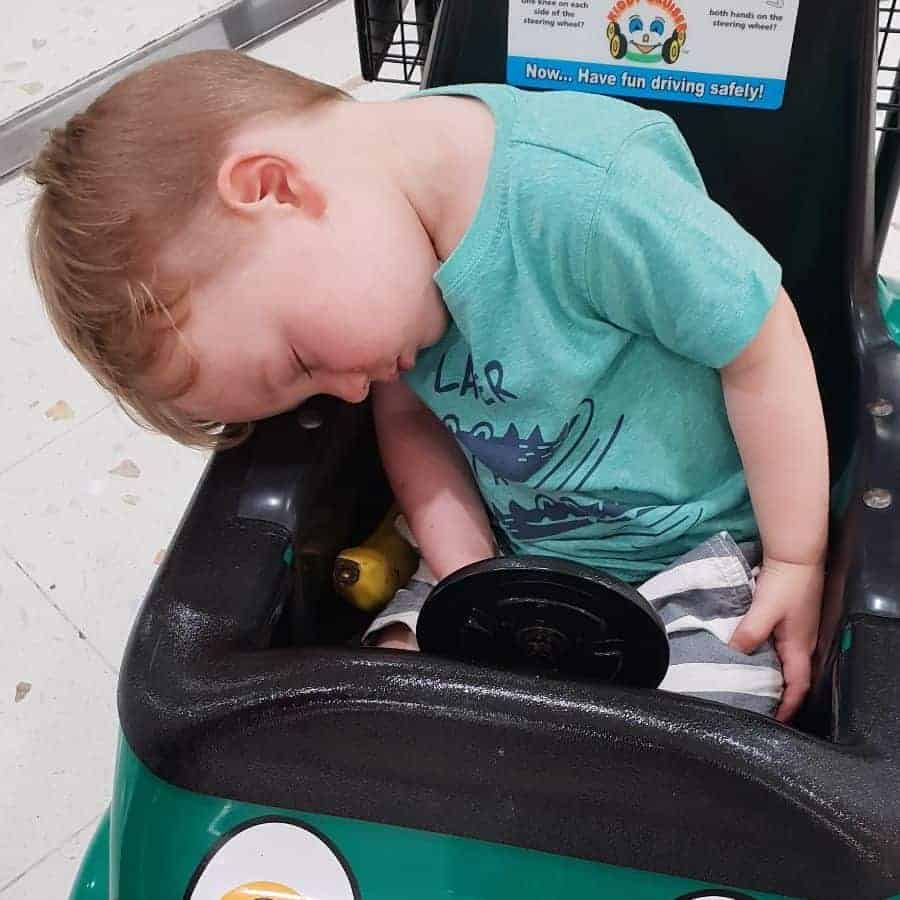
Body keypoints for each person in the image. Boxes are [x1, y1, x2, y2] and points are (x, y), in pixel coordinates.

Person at [27, 51, 827, 721]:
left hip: (690, 557)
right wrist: (468, 574)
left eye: (302, 360)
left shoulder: (585, 195)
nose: (346, 393)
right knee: (379, 700)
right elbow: (409, 420)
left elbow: (761, 343)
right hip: (508, 548)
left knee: (704, 746)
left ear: (276, 187)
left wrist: (797, 559)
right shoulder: (384, 271)